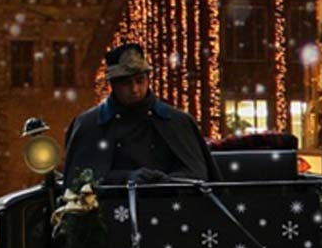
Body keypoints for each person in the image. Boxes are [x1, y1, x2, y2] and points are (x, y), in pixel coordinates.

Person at [63, 42, 219, 188]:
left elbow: (198, 174)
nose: (134, 89)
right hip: (111, 212)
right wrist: (125, 178)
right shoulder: (90, 125)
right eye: (126, 83)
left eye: (140, 81)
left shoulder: (177, 121)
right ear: (113, 85)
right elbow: (79, 183)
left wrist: (167, 182)